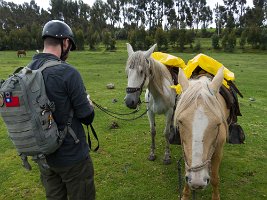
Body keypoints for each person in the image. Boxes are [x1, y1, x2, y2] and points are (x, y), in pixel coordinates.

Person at [29, 20, 96, 200]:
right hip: (72, 157)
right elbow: (87, 117)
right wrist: (88, 105)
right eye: (70, 46)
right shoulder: (68, 72)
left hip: (43, 156)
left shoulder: (27, 71)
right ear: (65, 42)